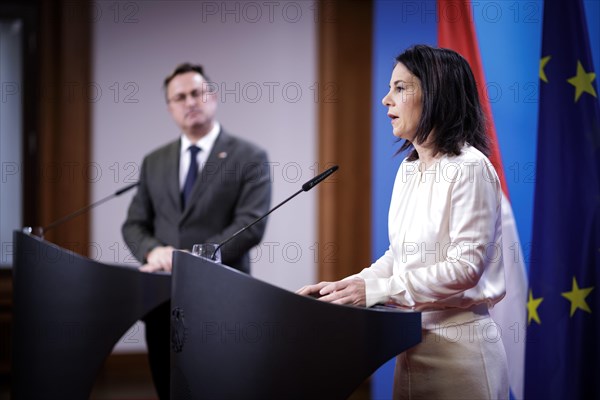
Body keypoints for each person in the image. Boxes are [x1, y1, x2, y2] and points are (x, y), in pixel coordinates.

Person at [298, 45, 509, 399]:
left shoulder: (470, 168)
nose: (385, 100)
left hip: (463, 355)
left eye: (399, 88)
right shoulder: (408, 169)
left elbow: (466, 268)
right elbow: (400, 256)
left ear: (436, 94)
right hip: (412, 347)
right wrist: (344, 289)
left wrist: (376, 291)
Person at [122, 63, 272, 399]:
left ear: (212, 97)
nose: (190, 102)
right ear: (170, 107)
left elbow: (250, 225)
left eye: (196, 93)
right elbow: (134, 223)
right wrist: (152, 251)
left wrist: (189, 259)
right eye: (180, 97)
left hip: (221, 297)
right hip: (161, 301)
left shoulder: (249, 156)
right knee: (167, 388)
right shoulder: (155, 161)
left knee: (220, 390)